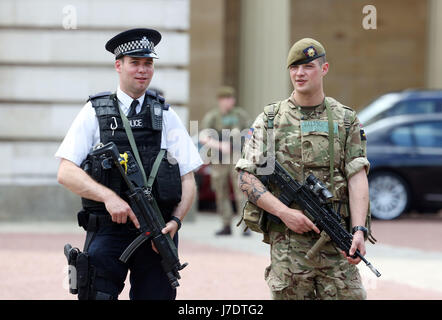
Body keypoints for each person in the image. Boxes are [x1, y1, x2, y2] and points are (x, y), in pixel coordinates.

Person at [56, 28, 202, 300]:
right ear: (118, 65)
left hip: (158, 231)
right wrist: (108, 197)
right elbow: (65, 172)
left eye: (148, 63)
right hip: (109, 230)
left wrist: (176, 221)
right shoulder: (94, 112)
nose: (142, 70)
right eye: (135, 62)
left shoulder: (166, 115)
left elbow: (187, 176)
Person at [235, 38, 371, 299]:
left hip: (336, 241)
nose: (299, 73)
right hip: (288, 247)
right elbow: (245, 176)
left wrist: (358, 230)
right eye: (294, 67)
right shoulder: (270, 119)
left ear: (324, 68)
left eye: (307, 66)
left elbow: (357, 175)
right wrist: (285, 213)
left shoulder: (345, 119)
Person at [199, 86, 251, 236]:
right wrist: (220, 145)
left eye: (231, 98)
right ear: (220, 100)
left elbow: (250, 131)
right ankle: (226, 224)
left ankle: (245, 225)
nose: (230, 102)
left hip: (236, 158)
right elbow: (203, 137)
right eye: (226, 99)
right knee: (221, 191)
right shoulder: (213, 116)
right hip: (219, 159)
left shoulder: (240, 115)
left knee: (241, 190)